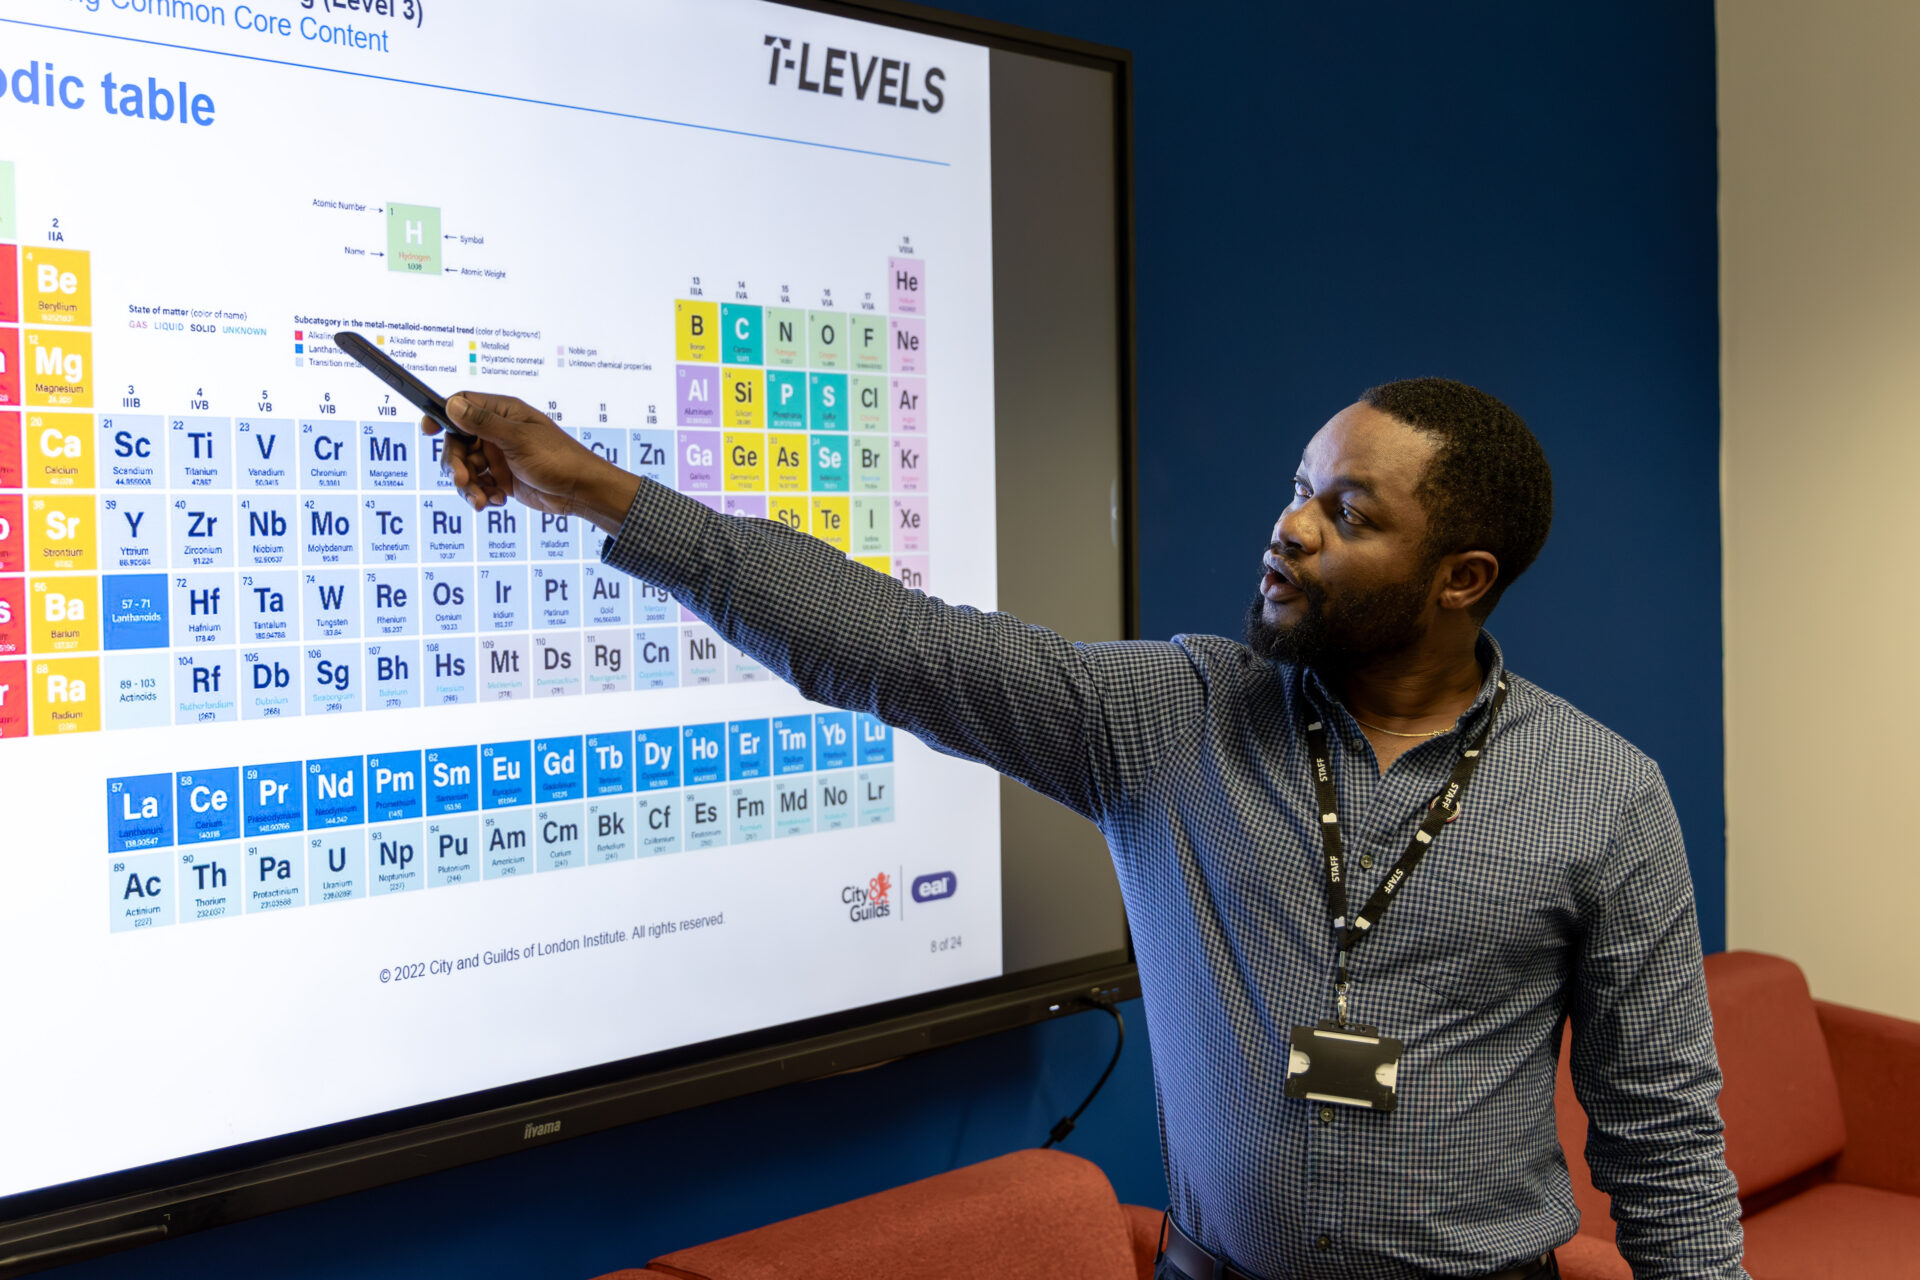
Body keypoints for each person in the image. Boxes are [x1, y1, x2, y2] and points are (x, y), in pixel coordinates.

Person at [423, 377, 1745, 1280]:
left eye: (1348, 516)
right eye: (1300, 486)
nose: (1288, 527)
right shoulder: (1169, 718)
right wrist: (597, 489)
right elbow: (890, 644)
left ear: (1462, 580)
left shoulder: (1603, 795)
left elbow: (1663, 1130)